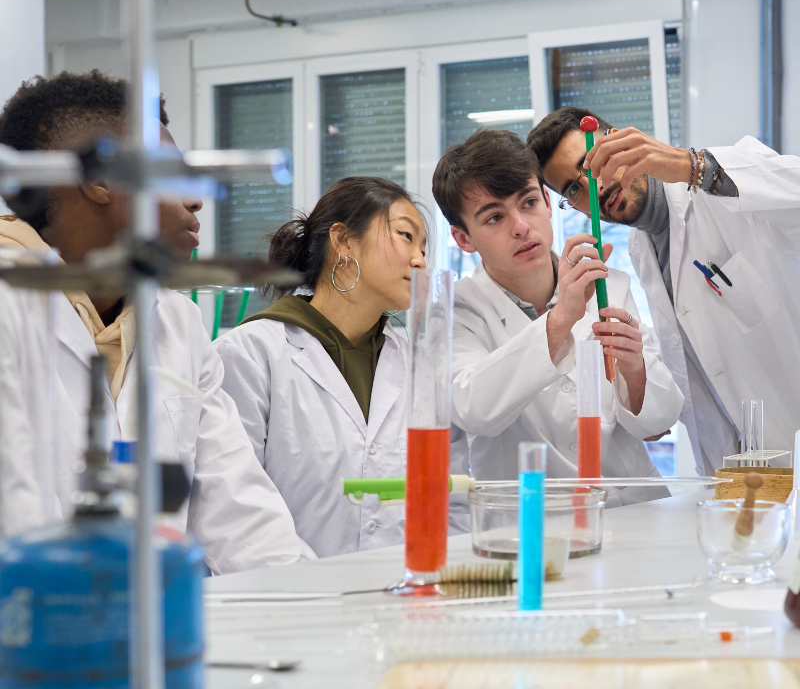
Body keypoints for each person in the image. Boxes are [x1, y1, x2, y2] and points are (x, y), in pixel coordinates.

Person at [0, 70, 311, 572]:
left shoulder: (176, 322)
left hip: (147, 630)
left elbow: (241, 513)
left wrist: (308, 607)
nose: (196, 198)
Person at [528, 107, 800, 476]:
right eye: (574, 188)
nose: (596, 186)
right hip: (741, 480)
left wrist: (692, 166)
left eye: (593, 165)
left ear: (621, 141)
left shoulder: (724, 178)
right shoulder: (641, 251)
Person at [216, 176, 469, 557]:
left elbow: (452, 497)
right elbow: (234, 503)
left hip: (405, 596)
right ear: (343, 241)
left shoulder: (422, 364)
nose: (420, 260)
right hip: (291, 598)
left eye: (423, 247)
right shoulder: (252, 354)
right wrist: (313, 586)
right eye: (405, 236)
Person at [431, 129, 683, 504]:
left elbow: (658, 422)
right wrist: (561, 318)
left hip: (630, 512)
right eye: (494, 217)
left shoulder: (607, 286)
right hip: (528, 527)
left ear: (548, 202)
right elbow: (475, 409)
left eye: (529, 202)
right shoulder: (454, 314)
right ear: (463, 239)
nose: (520, 226)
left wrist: (635, 370)